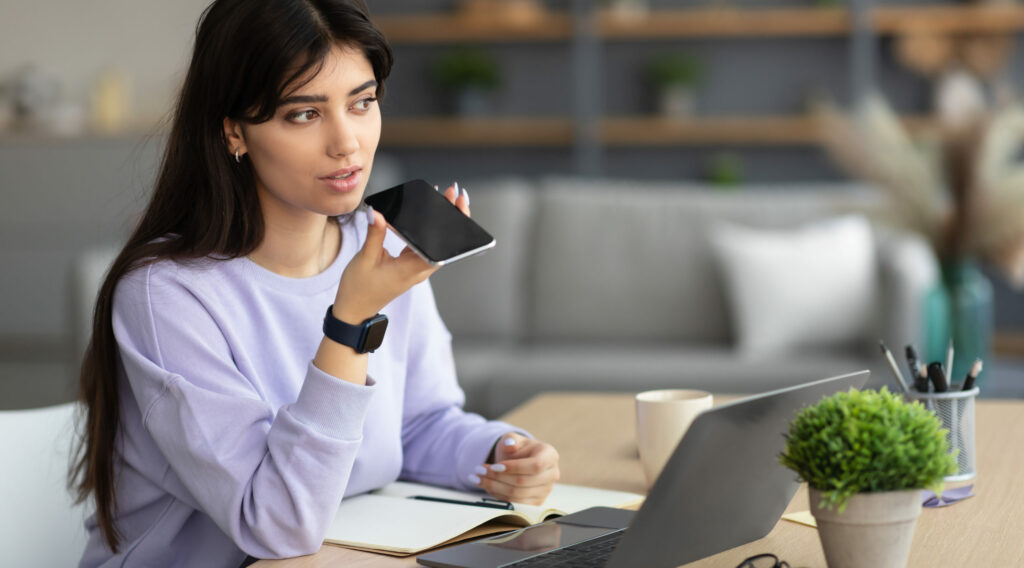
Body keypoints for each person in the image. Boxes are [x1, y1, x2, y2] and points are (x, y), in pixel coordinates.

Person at [70, 1, 560, 565]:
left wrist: (499, 453)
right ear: (234, 131)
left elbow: (418, 423)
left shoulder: (377, 248)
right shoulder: (167, 296)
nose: (346, 142)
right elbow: (274, 524)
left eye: (363, 102)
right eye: (304, 114)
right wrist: (349, 324)